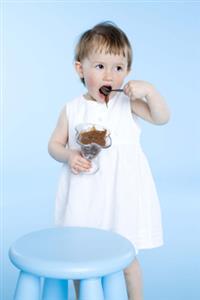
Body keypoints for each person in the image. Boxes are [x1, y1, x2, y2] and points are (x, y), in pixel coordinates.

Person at [48, 21, 170, 300]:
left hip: (122, 195)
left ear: (127, 72)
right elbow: (53, 145)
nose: (110, 75)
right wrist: (69, 155)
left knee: (127, 259)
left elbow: (162, 118)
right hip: (85, 195)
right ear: (81, 69)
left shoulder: (128, 104)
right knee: (82, 258)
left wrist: (150, 91)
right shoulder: (72, 109)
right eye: (100, 66)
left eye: (119, 68)